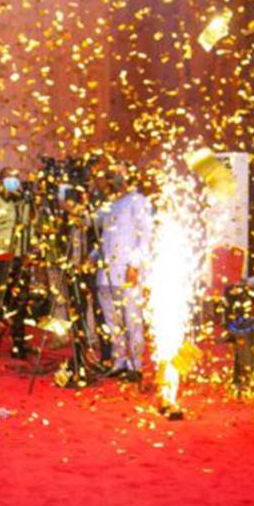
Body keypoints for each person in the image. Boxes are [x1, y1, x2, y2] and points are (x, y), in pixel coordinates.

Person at [96, 163, 152, 381]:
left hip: (128, 272)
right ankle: (119, 362)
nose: (114, 177)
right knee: (113, 322)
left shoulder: (138, 201)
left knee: (132, 320)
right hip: (106, 273)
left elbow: (146, 236)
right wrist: (93, 256)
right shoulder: (109, 205)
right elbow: (104, 236)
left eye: (118, 173)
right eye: (111, 173)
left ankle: (135, 365)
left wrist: (135, 264)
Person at [0, 167, 30, 358]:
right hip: (1, 258)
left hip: (19, 257)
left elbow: (28, 228)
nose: (13, 182)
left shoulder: (22, 203)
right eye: (9, 179)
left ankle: (18, 343)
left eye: (16, 179)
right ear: (0, 182)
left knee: (20, 302)